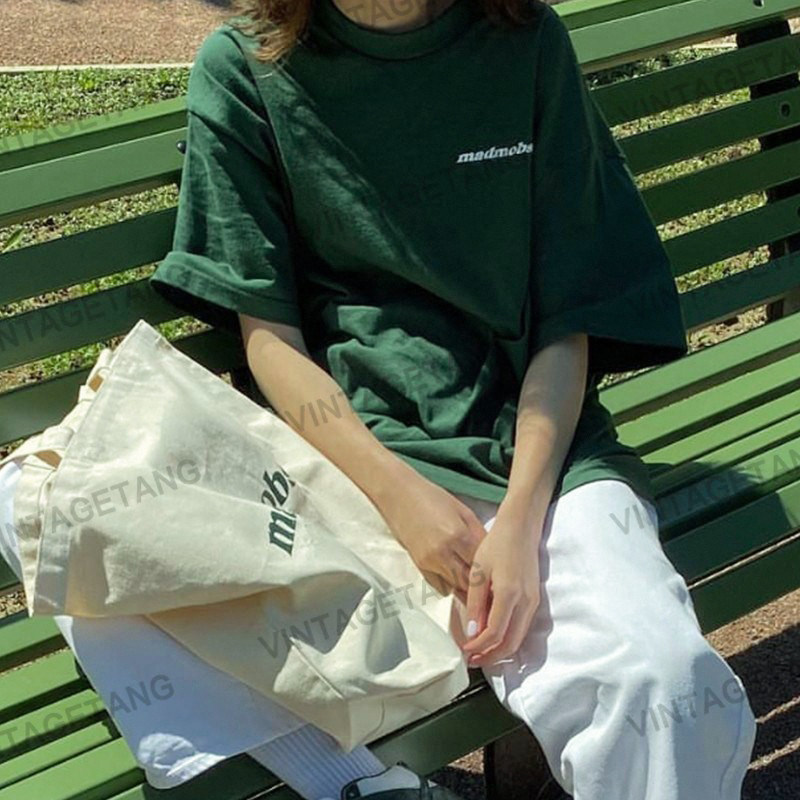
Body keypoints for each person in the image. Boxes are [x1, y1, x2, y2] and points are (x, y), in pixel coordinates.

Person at [141, 0, 759, 797]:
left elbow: (568, 318)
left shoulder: (525, 43)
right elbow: (270, 339)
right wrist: (402, 498)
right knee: (54, 518)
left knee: (663, 683)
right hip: (348, 471)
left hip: (530, 457)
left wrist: (523, 522)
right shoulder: (247, 67)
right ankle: (363, 784)